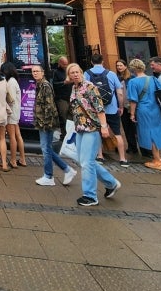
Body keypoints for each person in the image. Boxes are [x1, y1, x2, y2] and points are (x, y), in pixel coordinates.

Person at [68, 63, 121, 206]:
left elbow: (99, 108)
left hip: (91, 128)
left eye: (77, 71)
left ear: (81, 72)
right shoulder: (74, 88)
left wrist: (103, 126)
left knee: (86, 162)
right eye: (72, 72)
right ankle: (111, 183)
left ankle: (90, 195)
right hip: (80, 128)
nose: (75, 74)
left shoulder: (90, 87)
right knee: (84, 161)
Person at [32, 64, 77, 186]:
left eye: (37, 71)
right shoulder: (40, 85)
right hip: (43, 122)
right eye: (33, 71)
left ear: (42, 73)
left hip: (46, 123)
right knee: (47, 149)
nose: (35, 73)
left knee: (46, 149)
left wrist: (46, 123)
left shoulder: (45, 86)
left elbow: (49, 106)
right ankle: (67, 170)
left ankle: (49, 176)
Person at [125, 58, 161, 170]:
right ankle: (158, 157)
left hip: (143, 109)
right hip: (155, 108)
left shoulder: (133, 82)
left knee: (149, 133)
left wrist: (132, 114)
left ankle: (156, 160)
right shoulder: (153, 79)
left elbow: (133, 100)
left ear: (133, 69)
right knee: (156, 130)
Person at [85, 54, 128, 166]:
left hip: (95, 109)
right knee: (117, 133)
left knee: (97, 132)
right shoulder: (111, 74)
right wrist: (121, 106)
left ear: (91, 62)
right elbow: (119, 92)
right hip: (112, 108)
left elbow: (84, 92)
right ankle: (123, 159)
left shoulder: (87, 74)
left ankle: (100, 156)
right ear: (103, 61)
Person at [2, 62, 25, 168]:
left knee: (12, 137)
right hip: (16, 111)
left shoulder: (11, 82)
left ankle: (13, 160)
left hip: (11, 112)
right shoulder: (14, 81)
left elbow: (10, 99)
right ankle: (23, 159)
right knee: (17, 135)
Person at [115, 59, 138, 155]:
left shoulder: (131, 77)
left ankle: (142, 147)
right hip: (122, 106)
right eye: (117, 65)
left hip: (130, 105)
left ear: (125, 66)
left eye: (121, 65)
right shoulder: (117, 77)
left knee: (134, 127)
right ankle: (131, 146)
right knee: (126, 127)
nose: (119, 67)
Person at [51, 56, 71, 139]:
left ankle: (71, 133)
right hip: (61, 97)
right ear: (59, 64)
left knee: (71, 116)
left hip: (70, 96)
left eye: (66, 64)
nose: (65, 66)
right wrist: (64, 82)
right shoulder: (56, 72)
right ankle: (64, 134)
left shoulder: (69, 71)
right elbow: (54, 84)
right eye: (64, 64)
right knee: (64, 116)